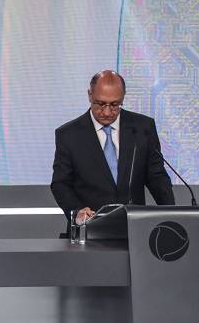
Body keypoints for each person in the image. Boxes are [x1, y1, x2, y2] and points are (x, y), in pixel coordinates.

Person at [51, 70, 174, 224]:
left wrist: (172, 215)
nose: (107, 112)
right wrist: (76, 211)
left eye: (115, 105)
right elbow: (60, 183)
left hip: (134, 229)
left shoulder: (143, 128)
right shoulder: (69, 134)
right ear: (90, 95)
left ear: (123, 97)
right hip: (89, 230)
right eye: (100, 104)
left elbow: (157, 177)